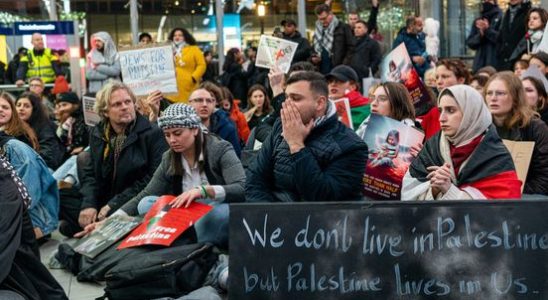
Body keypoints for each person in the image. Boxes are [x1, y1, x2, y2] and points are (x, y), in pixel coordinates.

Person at [82, 104, 245, 248]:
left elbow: (241, 187)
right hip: (186, 213)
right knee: (147, 203)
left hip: (214, 207)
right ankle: (181, 238)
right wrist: (109, 222)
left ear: (195, 129)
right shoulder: (169, 157)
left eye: (177, 133)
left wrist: (203, 191)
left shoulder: (220, 149)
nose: (172, 140)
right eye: (167, 135)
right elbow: (146, 194)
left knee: (217, 215)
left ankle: (195, 248)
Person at [59, 81, 168, 237]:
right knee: (59, 195)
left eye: (128, 102)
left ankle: (91, 228)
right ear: (105, 111)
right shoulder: (98, 132)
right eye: (117, 104)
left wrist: (113, 204)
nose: (124, 107)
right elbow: (91, 177)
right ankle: (96, 226)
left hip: (131, 200)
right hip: (104, 199)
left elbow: (151, 180)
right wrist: (88, 204)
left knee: (143, 208)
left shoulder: (152, 133)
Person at [246, 71, 368, 202]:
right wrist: (269, 214)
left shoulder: (351, 146)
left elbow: (324, 198)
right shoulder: (280, 126)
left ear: (320, 103)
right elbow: (254, 180)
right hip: (272, 217)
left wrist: (296, 145)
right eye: (287, 97)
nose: (286, 104)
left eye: (295, 98)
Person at [402, 85, 522, 200]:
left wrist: (450, 190)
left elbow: (501, 210)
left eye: (450, 110)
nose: (441, 118)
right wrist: (434, 189)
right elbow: (408, 195)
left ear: (470, 113)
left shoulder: (496, 156)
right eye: (440, 110)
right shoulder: (432, 147)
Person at [0, 156, 68, 300]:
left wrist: (40, 225)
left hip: (19, 226)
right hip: (16, 229)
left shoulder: (14, 148)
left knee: (30, 276)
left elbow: (28, 195)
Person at [0, 93, 59, 239]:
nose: (0, 110)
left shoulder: (15, 145)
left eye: (5, 107)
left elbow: (27, 194)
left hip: (31, 217)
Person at [485, 71, 548, 196]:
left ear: (515, 97)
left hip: (527, 200)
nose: (493, 98)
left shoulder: (535, 128)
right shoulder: (480, 128)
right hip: (487, 198)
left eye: (500, 93)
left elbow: (545, 176)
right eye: (489, 93)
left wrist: (512, 191)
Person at [355, 82, 421, 144]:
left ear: (397, 104)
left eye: (382, 99)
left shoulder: (412, 133)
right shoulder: (366, 124)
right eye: (373, 98)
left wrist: (420, 155)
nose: (373, 103)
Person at [15, 92, 64, 169]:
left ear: (34, 110)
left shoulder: (44, 126)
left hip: (44, 168)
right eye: (18, 105)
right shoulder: (12, 127)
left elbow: (48, 157)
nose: (21, 108)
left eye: (26, 106)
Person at [190, 83, 242, 156]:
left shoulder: (227, 126)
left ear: (216, 103)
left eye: (209, 100)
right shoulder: (184, 126)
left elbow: (235, 158)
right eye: (200, 100)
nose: (205, 104)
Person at [166, 28, 206, 103]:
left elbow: (201, 65)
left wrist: (194, 78)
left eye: (180, 35)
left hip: (188, 85)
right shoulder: (168, 49)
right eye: (175, 35)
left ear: (185, 37)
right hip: (171, 86)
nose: (177, 37)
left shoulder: (194, 49)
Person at [312, 4, 355, 74]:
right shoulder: (318, 29)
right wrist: (313, 57)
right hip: (321, 68)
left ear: (331, 14)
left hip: (338, 69)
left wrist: (344, 65)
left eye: (324, 18)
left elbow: (351, 48)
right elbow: (313, 47)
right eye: (320, 19)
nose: (322, 21)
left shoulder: (343, 27)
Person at [326, 65, 371, 129]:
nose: (333, 84)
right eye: (330, 81)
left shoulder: (369, 109)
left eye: (339, 81)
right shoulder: (322, 109)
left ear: (353, 86)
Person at [466, 0, 502, 73]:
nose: (486, 2)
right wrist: (480, 35)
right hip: (479, 65)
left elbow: (502, 39)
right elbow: (470, 43)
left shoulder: (502, 17)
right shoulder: (478, 20)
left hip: (495, 64)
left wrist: (487, 30)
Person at [494, 0, 531, 71]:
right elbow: (501, 37)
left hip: (520, 62)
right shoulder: (506, 13)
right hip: (503, 62)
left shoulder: (528, 12)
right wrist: (499, 52)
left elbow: (529, 36)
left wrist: (519, 55)